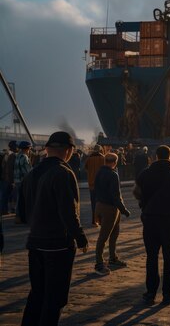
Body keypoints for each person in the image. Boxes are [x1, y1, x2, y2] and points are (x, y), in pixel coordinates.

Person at [21, 131, 89, 325]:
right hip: (57, 245)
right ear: (68, 151)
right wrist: (80, 237)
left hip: (35, 243)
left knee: (37, 295)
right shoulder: (63, 173)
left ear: (48, 149)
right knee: (55, 298)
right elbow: (68, 212)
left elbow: (23, 212)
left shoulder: (32, 174)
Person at [133, 145, 170, 305]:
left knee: (151, 256)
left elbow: (136, 191)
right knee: (169, 256)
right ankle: (168, 292)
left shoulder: (146, 172)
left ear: (156, 156)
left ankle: (150, 292)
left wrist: (145, 203)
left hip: (150, 218)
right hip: (169, 219)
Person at [94, 153, 131, 276]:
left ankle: (113, 257)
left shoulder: (99, 172)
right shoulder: (113, 175)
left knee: (114, 233)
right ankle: (99, 264)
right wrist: (124, 210)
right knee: (104, 237)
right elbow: (115, 196)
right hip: (110, 208)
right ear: (115, 161)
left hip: (100, 205)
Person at [84, 145, 105, 226]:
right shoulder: (103, 158)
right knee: (101, 203)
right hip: (101, 184)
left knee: (93, 203)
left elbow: (86, 168)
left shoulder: (89, 159)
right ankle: (100, 220)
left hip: (92, 184)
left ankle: (94, 220)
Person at [14, 140, 32, 224]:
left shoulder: (18, 156)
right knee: (23, 199)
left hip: (17, 180)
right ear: (27, 148)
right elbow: (27, 171)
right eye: (29, 148)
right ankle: (21, 216)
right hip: (23, 181)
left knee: (19, 198)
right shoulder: (24, 157)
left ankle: (17, 216)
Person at [1, 140, 18, 214]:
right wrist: (12, 181)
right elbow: (10, 168)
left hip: (5, 178)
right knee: (6, 195)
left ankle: (4, 210)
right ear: (14, 147)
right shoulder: (12, 155)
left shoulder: (7, 154)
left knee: (5, 195)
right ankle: (4, 210)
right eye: (17, 146)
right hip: (8, 179)